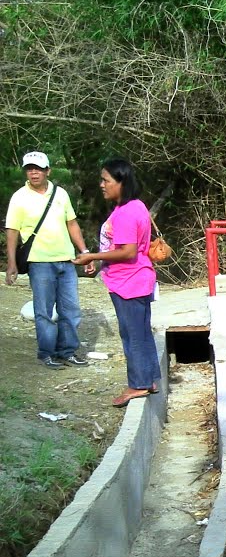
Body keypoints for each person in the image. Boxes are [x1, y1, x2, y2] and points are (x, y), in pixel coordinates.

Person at [73, 158, 161, 407]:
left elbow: (127, 252)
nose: (101, 185)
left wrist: (92, 256)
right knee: (141, 332)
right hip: (136, 279)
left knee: (132, 335)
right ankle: (149, 379)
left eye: (106, 180)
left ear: (121, 182)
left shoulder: (126, 213)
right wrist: (99, 263)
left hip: (128, 282)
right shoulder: (136, 206)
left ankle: (138, 385)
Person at [5, 151, 91, 370]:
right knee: (43, 311)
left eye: (38, 168)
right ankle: (47, 353)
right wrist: (12, 263)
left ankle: (68, 351)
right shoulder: (19, 197)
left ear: (47, 171)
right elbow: (12, 231)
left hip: (67, 260)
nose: (33, 173)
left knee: (70, 310)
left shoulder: (60, 194)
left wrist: (84, 251)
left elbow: (72, 223)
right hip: (39, 262)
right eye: (29, 168)